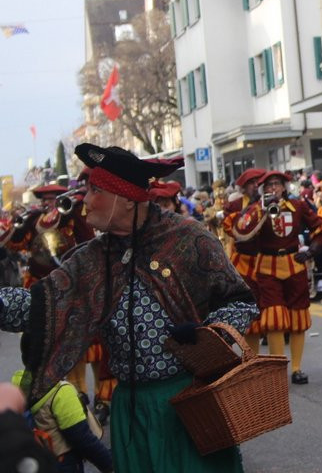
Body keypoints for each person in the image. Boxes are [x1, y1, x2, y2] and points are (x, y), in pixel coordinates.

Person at [0, 144, 258, 473]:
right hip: (132, 411)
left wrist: (210, 333)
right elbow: (40, 305)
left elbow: (240, 301)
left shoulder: (190, 239)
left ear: (126, 199)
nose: (85, 201)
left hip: (192, 401)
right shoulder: (92, 258)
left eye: (95, 191)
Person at [234, 170, 322, 384]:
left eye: (276, 184)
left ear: (284, 187)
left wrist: (311, 251)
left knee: (298, 317)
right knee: (274, 318)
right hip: (267, 267)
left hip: (294, 265)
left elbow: (319, 228)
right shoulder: (257, 209)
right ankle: (279, 368)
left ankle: (297, 368)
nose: (273, 188)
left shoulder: (299, 206)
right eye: (268, 185)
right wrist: (260, 209)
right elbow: (240, 231)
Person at [12, 369, 112, 473]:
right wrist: (109, 465)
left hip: (41, 462)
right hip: (65, 462)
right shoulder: (61, 392)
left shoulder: (20, 387)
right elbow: (81, 437)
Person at [221, 167, 265, 350]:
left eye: (258, 183)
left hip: (265, 259)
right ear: (244, 187)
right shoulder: (236, 205)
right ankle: (251, 356)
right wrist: (249, 210)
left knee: (268, 300)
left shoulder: (271, 202)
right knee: (249, 302)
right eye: (251, 184)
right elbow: (230, 227)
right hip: (243, 260)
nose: (255, 186)